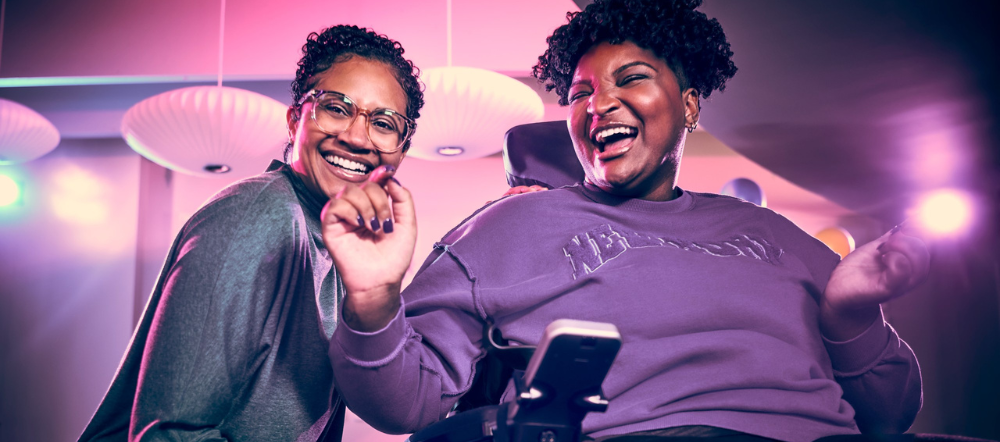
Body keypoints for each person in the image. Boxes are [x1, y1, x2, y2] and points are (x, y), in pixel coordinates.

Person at [322, 1, 930, 441]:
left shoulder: (782, 240)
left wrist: (850, 315)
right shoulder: (506, 229)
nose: (599, 104)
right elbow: (405, 406)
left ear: (689, 104)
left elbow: (891, 414)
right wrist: (373, 299)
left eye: (630, 79)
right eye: (580, 92)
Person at [78, 24, 424, 441]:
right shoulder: (255, 217)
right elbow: (168, 434)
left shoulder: (349, 244)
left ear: (401, 149)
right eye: (336, 108)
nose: (356, 137)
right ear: (296, 119)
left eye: (384, 123)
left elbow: (394, 407)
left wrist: (378, 298)